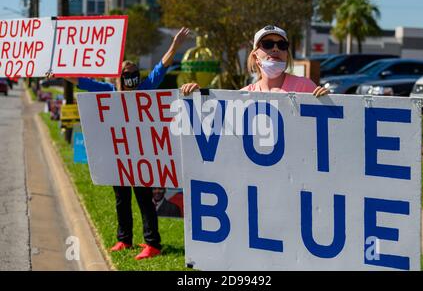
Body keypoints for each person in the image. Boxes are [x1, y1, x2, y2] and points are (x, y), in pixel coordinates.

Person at [47, 27, 190, 260]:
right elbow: (83, 82)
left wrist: (174, 46)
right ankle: (124, 239)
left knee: (145, 201)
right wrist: (61, 74)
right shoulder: (109, 91)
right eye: (127, 75)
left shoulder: (145, 89)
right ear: (118, 77)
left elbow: (161, 67)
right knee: (121, 199)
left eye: (134, 74)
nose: (131, 80)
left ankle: (152, 243)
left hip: (141, 157)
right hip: (119, 157)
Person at [180, 25, 329, 96]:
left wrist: (329, 101)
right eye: (268, 44)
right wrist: (194, 97)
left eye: (282, 45)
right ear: (255, 56)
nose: (275, 49)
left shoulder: (305, 86)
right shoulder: (242, 96)